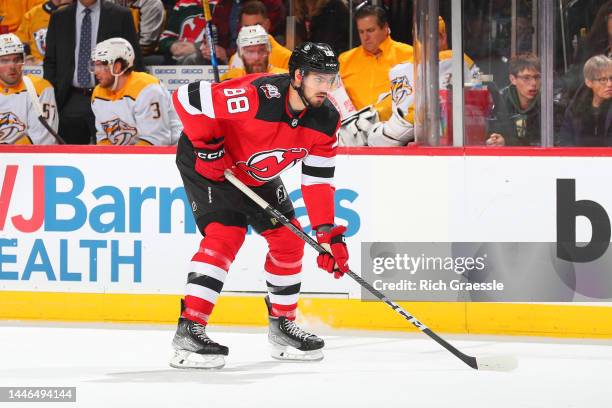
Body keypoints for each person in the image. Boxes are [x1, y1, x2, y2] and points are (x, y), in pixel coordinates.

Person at [170, 42, 349, 369]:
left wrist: (326, 233)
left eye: (331, 80)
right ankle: (189, 329)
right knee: (226, 235)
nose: (327, 87)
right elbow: (186, 98)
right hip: (211, 164)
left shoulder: (326, 120)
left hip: (256, 172)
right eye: (319, 79)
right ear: (298, 76)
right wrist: (207, 144)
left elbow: (317, 180)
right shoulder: (257, 96)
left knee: (290, 240)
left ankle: (282, 326)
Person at [44, 0, 143, 144]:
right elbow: (50, 61)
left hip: (112, 97)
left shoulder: (121, 15)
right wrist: (52, 97)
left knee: (112, 154)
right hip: (70, 98)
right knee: (72, 155)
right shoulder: (59, 16)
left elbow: (134, 61)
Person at [90, 38, 180, 145]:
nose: (95, 71)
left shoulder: (147, 89)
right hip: (129, 156)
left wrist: (123, 160)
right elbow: (103, 137)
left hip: (171, 155)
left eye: (101, 65)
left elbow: (157, 141)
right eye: (95, 65)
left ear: (117, 67)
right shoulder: (98, 93)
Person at [338, 4, 412, 113]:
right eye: (361, 32)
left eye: (370, 30)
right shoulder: (346, 60)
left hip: (398, 124)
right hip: (355, 126)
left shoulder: (409, 54)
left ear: (385, 28)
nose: (365, 37)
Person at [0, 33, 58, 144]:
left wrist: (7, 153)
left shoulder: (41, 87)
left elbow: (43, 139)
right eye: (5, 61)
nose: (12, 66)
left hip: (27, 158)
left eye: (16, 60)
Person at [486, 53, 541, 147]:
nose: (533, 83)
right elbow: (490, 136)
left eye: (536, 77)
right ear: (513, 79)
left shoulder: (549, 107)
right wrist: (494, 141)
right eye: (526, 78)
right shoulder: (499, 104)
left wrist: (507, 143)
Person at [559, 55, 612, 146]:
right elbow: (565, 142)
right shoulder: (575, 108)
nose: (609, 84)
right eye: (603, 79)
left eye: (611, 78)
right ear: (589, 82)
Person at [227, 0, 291, 70]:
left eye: (257, 25)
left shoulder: (286, 57)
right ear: (240, 28)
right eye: (247, 26)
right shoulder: (234, 59)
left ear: (268, 24)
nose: (252, 31)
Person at [15, 0, 74, 65]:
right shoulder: (32, 14)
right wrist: (28, 58)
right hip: (38, 67)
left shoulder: (82, 12)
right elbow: (22, 42)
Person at [221, 24, 286, 81]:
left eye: (261, 51)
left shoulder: (283, 78)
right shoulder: (230, 78)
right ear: (240, 54)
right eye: (250, 52)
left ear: (268, 51)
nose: (256, 58)